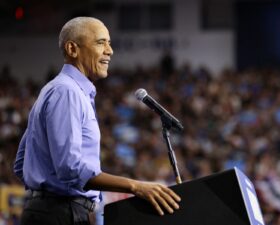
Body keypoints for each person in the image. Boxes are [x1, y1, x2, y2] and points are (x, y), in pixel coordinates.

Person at [13, 17, 181, 225]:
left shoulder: (60, 90)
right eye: (101, 42)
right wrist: (135, 186)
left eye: (109, 43)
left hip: (53, 211)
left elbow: (22, 163)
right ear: (73, 49)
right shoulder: (67, 92)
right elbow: (69, 167)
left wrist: (47, 194)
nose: (110, 51)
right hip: (59, 214)